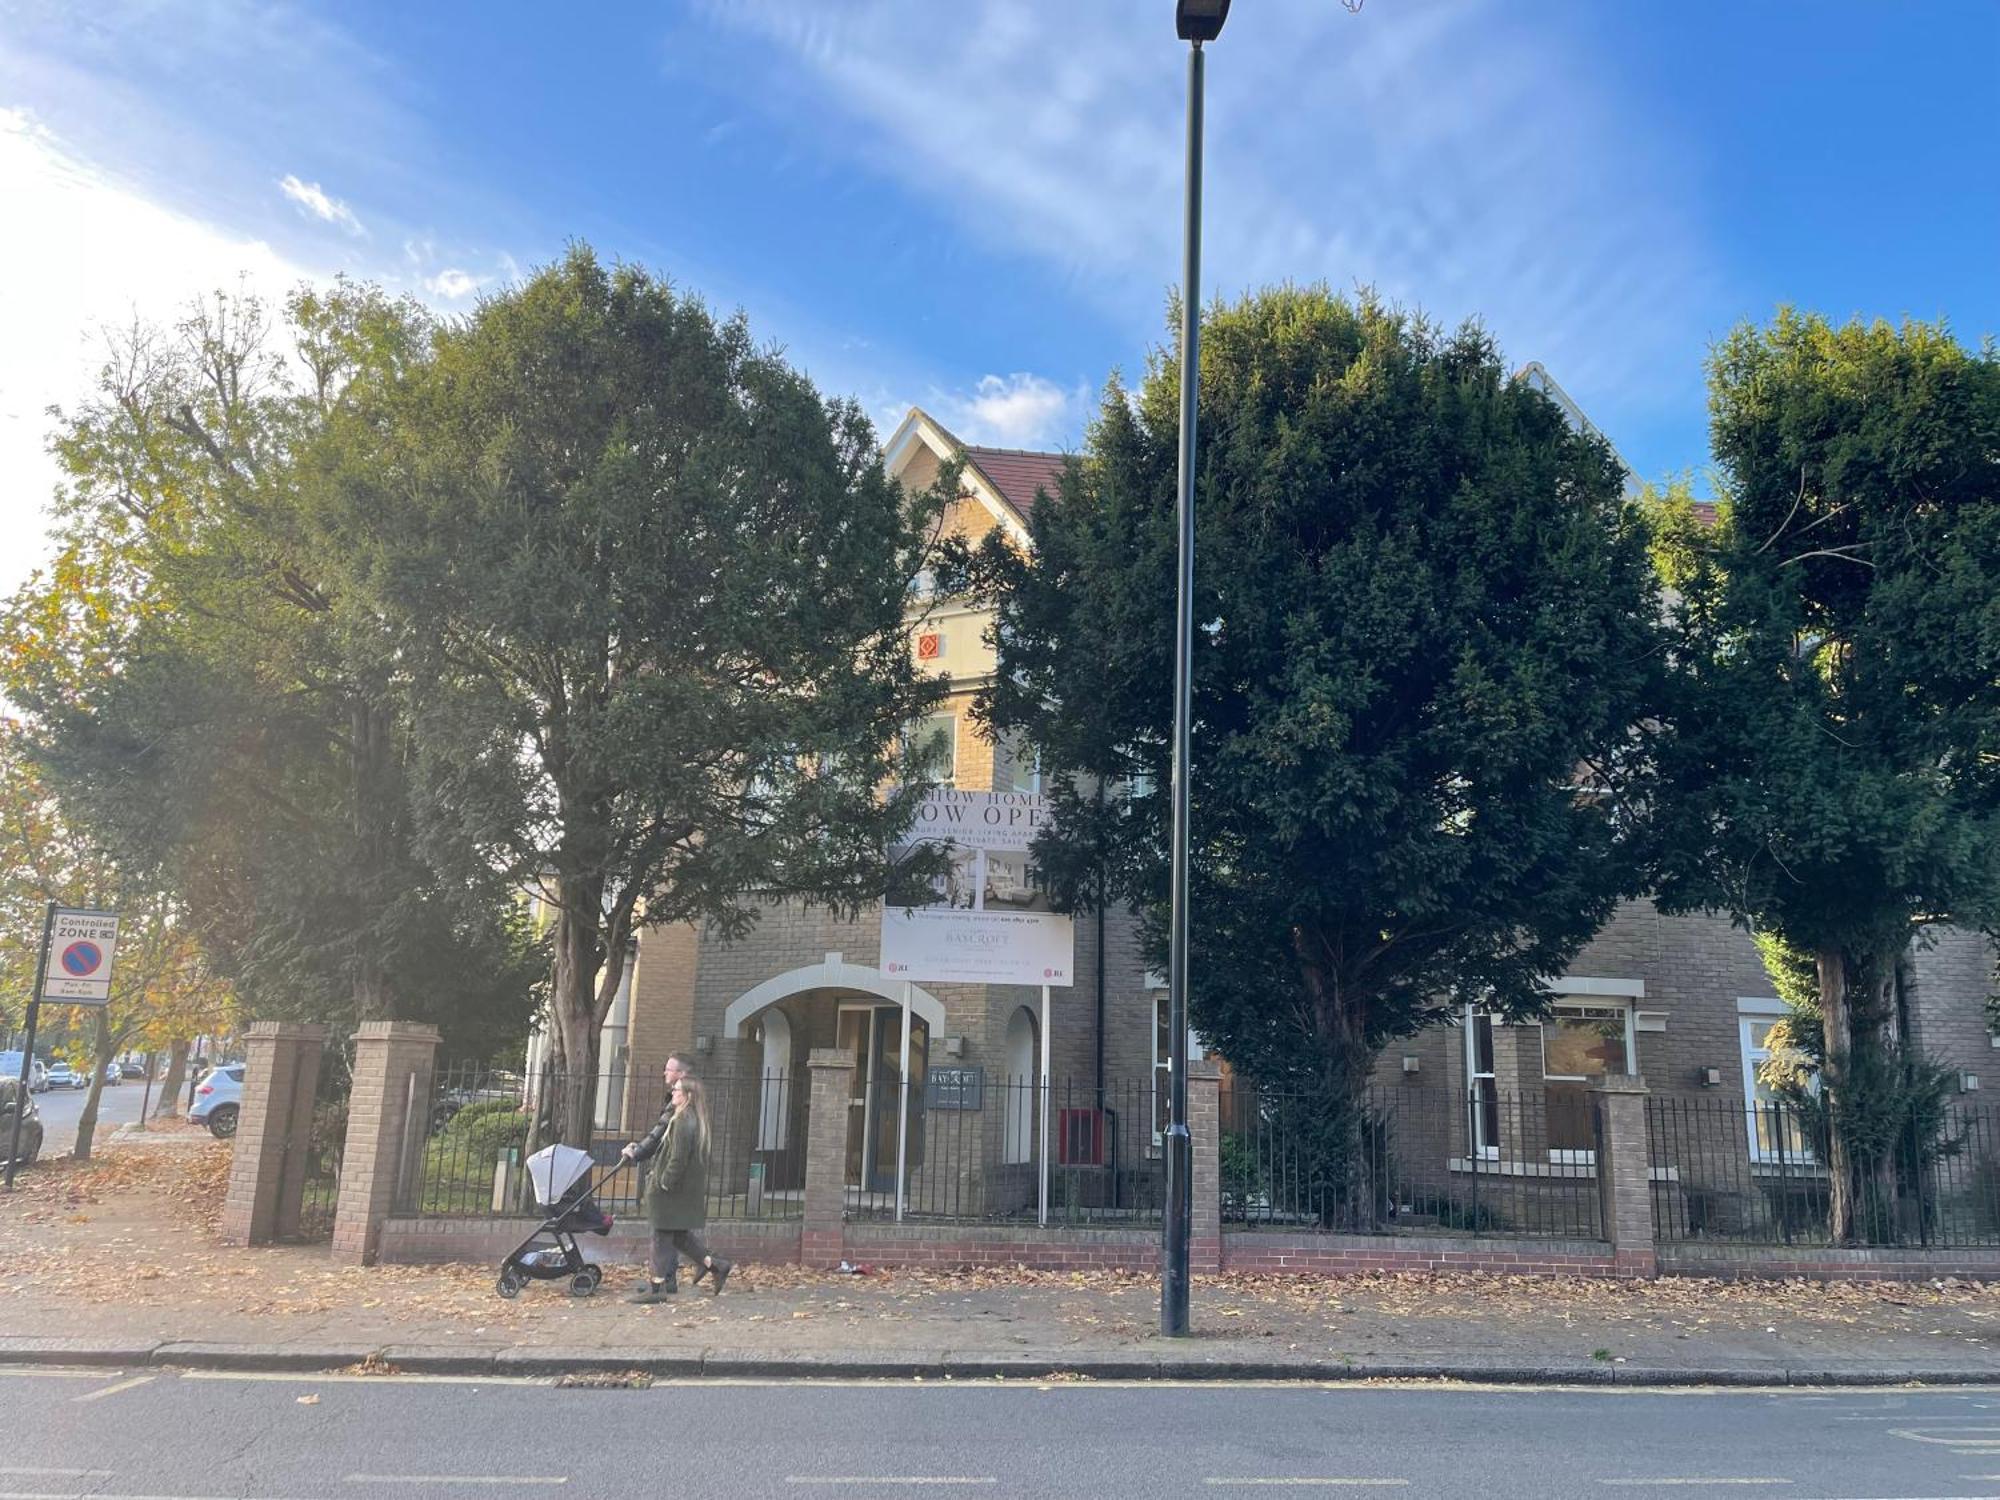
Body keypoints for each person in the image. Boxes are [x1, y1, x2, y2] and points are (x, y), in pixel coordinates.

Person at [621, 1074, 730, 1301]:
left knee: (661, 1236)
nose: (673, 1093)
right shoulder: (690, 1118)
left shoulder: (682, 1121)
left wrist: (664, 1183)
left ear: (688, 1096)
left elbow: (678, 1159)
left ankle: (657, 1287)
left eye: (677, 1090)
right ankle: (715, 1265)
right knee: (678, 1235)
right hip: (680, 1188)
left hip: (670, 1189)